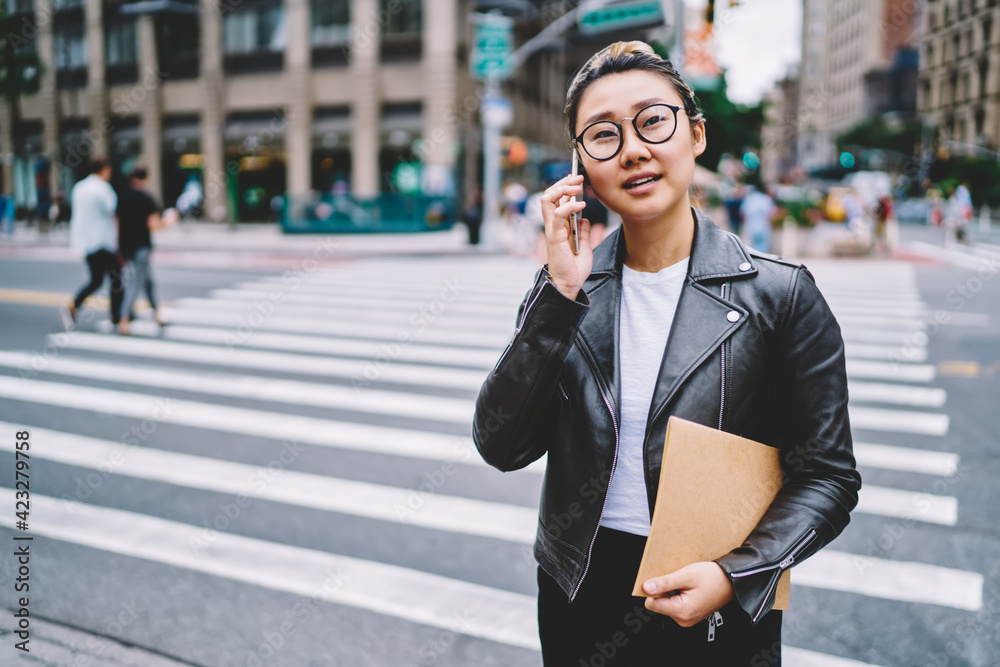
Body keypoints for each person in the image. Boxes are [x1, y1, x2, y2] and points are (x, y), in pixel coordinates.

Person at [473, 42, 860, 665]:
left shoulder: (782, 295)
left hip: (718, 599)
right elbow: (501, 445)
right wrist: (560, 294)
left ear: (696, 134)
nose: (632, 149)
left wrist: (738, 573)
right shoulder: (567, 289)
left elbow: (828, 476)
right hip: (577, 591)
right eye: (602, 135)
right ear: (580, 170)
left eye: (653, 120)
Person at [116, 165, 176, 335]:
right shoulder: (146, 198)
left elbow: (117, 222)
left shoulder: (121, 196)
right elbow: (154, 225)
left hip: (125, 245)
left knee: (148, 281)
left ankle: (157, 314)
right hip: (141, 246)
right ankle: (124, 319)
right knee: (136, 282)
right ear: (145, 178)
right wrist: (169, 221)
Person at [65, 158, 123, 329]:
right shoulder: (103, 188)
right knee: (116, 280)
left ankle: (74, 305)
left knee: (97, 280)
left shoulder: (79, 187)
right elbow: (113, 211)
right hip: (103, 240)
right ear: (104, 170)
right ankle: (116, 316)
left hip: (86, 241)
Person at [739, 184, 776, 254]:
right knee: (764, 251)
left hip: (750, 227)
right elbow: (771, 214)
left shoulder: (749, 199)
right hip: (763, 227)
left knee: (750, 250)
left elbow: (742, 214)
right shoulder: (766, 199)